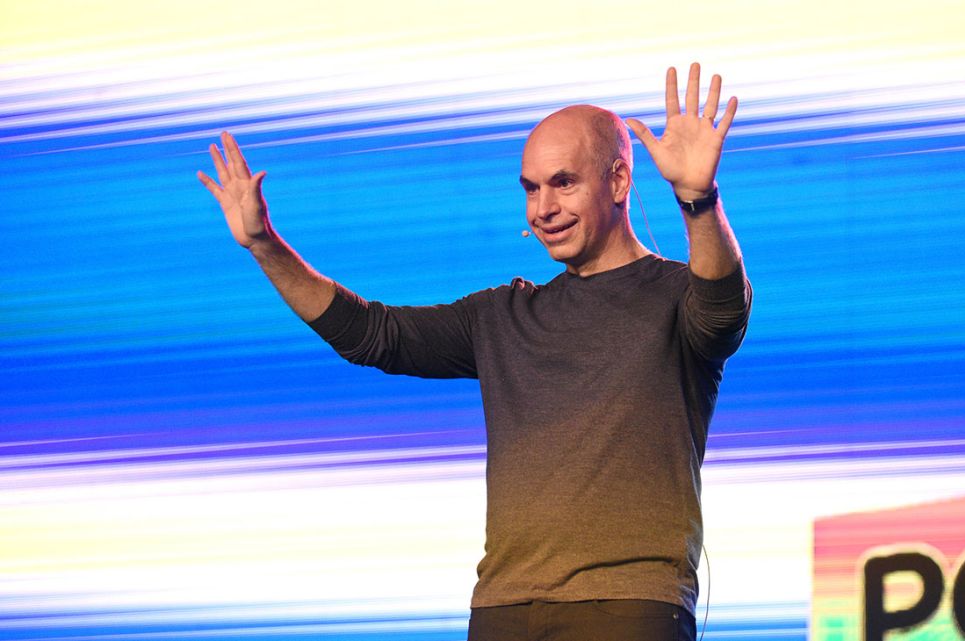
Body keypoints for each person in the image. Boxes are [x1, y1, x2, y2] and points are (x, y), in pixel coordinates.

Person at [198, 62, 751, 641]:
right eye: (530, 189)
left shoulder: (674, 295)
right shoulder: (503, 316)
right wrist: (264, 245)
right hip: (504, 609)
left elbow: (720, 309)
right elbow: (372, 335)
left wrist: (698, 199)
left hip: (627, 605)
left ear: (617, 181)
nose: (543, 209)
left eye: (564, 183)